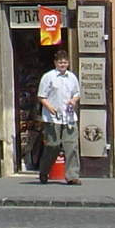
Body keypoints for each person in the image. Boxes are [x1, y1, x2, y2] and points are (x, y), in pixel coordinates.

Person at [36, 52, 82, 185]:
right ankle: (44, 171)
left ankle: (72, 176)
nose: (63, 65)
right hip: (52, 118)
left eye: (65, 62)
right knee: (53, 146)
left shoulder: (72, 77)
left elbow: (77, 93)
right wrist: (50, 108)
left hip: (69, 117)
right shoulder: (48, 77)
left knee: (71, 146)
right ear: (55, 63)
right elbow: (41, 96)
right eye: (60, 62)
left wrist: (73, 100)